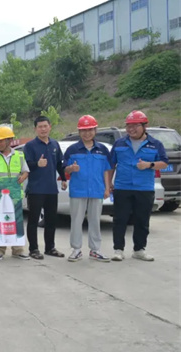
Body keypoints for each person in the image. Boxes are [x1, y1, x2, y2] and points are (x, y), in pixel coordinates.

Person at [109, 110, 168, 262]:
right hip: (122, 187)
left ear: (144, 126)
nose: (131, 129)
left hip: (144, 188)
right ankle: (118, 250)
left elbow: (164, 163)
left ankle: (139, 250)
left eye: (135, 126)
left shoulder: (155, 144)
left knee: (142, 220)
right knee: (120, 219)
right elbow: (111, 165)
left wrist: (149, 165)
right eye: (128, 126)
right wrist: (108, 183)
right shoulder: (119, 143)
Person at [63, 115, 112, 263]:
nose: (87, 133)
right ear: (79, 132)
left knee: (95, 221)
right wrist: (71, 169)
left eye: (90, 130)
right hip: (78, 190)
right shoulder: (72, 150)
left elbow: (106, 170)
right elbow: (65, 169)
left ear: (95, 130)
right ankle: (76, 250)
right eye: (83, 130)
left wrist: (107, 188)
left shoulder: (102, 150)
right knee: (76, 221)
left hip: (97, 190)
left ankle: (95, 250)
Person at [23, 116, 67, 259]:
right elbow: (26, 166)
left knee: (51, 220)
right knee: (33, 221)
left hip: (51, 189)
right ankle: (33, 249)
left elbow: (59, 164)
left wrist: (64, 178)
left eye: (45, 126)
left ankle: (50, 248)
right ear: (35, 129)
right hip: (35, 190)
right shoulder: (30, 146)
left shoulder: (55, 144)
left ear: (50, 127)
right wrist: (37, 164)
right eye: (40, 127)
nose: (43, 129)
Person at [0, 126, 30, 260]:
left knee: (16, 222)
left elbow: (26, 171)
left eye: (1, 141)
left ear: (9, 140)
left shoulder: (19, 155)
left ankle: (18, 250)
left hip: (14, 195)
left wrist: (23, 177)